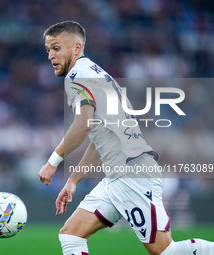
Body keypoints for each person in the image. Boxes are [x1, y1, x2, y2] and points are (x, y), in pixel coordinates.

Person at [38, 21, 214, 255]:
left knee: (164, 251)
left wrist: (52, 163)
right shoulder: (96, 74)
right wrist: (73, 180)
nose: (51, 55)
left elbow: (83, 125)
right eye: (48, 49)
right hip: (116, 176)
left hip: (133, 174)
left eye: (57, 48)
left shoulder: (77, 76)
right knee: (71, 234)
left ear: (77, 48)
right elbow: (100, 138)